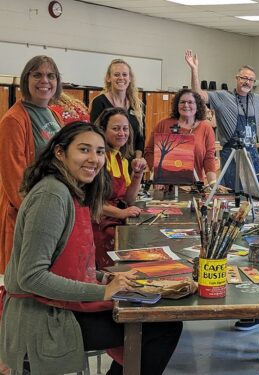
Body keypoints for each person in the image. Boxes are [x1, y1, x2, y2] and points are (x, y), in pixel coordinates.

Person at [0, 122, 182, 375]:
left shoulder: (69, 190)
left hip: (55, 306)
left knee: (158, 318)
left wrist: (107, 277)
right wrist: (104, 291)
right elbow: (31, 277)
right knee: (161, 326)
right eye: (84, 149)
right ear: (60, 152)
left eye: (98, 152)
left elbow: (69, 265)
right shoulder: (52, 195)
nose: (94, 159)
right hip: (43, 318)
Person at [185, 49, 259, 190]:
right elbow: (198, 95)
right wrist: (194, 70)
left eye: (251, 80)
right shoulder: (223, 97)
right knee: (232, 194)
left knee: (254, 193)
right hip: (232, 156)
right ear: (237, 78)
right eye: (244, 78)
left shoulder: (257, 100)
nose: (247, 82)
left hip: (252, 155)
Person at [0, 55, 63, 274]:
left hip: (51, 206)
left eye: (50, 75)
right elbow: (13, 178)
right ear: (26, 80)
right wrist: (34, 215)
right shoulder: (14, 120)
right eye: (37, 75)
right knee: (24, 276)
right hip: (28, 213)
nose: (44, 80)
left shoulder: (53, 114)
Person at [92, 107, 147, 269]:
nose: (121, 133)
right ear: (102, 130)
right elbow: (92, 203)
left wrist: (138, 174)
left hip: (114, 223)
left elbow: (129, 199)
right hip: (99, 227)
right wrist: (122, 213)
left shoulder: (121, 158)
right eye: (115, 129)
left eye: (125, 129)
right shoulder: (99, 158)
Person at [144, 88, 217, 186]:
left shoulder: (206, 127)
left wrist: (213, 183)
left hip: (195, 186)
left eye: (190, 102)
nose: (186, 105)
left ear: (197, 106)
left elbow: (209, 157)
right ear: (177, 105)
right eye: (182, 102)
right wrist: (157, 171)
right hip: (166, 186)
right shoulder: (163, 125)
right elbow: (149, 151)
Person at [90, 58, 145, 159]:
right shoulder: (99, 102)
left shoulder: (138, 105)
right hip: (107, 161)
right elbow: (95, 135)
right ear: (108, 78)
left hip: (131, 163)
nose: (121, 78)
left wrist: (137, 161)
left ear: (130, 78)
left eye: (124, 75)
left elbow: (140, 138)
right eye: (116, 74)